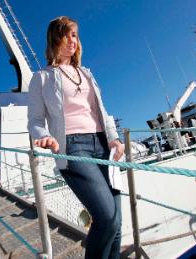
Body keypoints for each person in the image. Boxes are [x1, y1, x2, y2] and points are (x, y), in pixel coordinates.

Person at [27, 16, 125, 259]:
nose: (73, 40)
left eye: (76, 35)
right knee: (106, 218)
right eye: (68, 34)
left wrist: (114, 138)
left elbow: (102, 111)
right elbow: (35, 120)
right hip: (73, 147)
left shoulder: (87, 74)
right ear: (55, 38)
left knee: (117, 224)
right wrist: (45, 137)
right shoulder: (42, 78)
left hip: (103, 145)